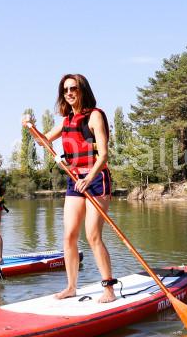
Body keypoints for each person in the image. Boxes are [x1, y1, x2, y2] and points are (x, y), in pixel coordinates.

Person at [24, 73, 117, 302]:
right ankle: (71, 287)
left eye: (73, 88)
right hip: (74, 180)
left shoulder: (95, 116)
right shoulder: (66, 120)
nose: (69, 93)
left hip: (96, 180)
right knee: (69, 236)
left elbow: (103, 155)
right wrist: (31, 128)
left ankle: (109, 289)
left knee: (93, 235)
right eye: (65, 90)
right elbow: (43, 141)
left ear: (82, 89)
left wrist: (89, 177)